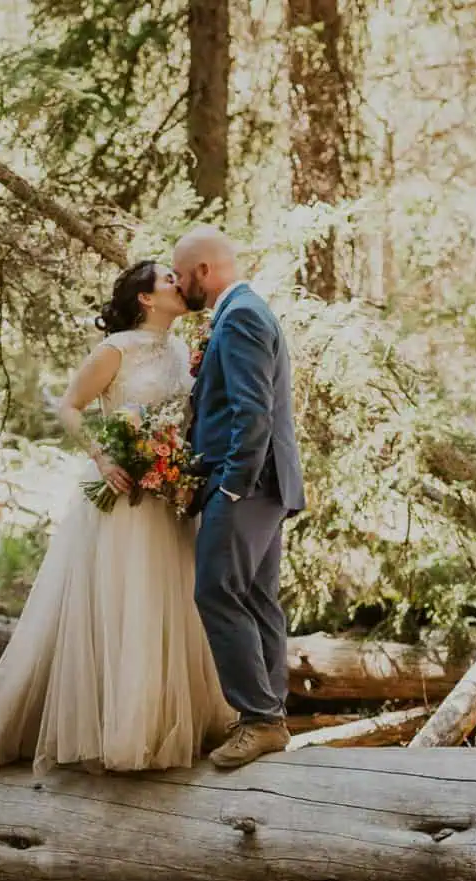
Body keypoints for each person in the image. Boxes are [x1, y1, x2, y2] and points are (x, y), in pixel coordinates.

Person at [0, 260, 236, 771]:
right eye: (167, 280)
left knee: (172, 601)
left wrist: (176, 465)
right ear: (144, 298)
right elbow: (70, 406)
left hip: (169, 493)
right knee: (127, 601)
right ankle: (119, 727)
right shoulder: (116, 349)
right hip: (121, 494)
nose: (179, 285)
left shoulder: (183, 351)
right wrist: (103, 455)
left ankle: (166, 722)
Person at [172, 226, 305, 770]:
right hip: (263, 485)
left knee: (216, 592)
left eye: (181, 276)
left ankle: (259, 719)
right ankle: (269, 713)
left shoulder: (243, 315)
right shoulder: (243, 311)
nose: (180, 287)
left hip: (247, 485)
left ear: (204, 271)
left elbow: (253, 411)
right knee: (255, 596)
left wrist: (230, 483)